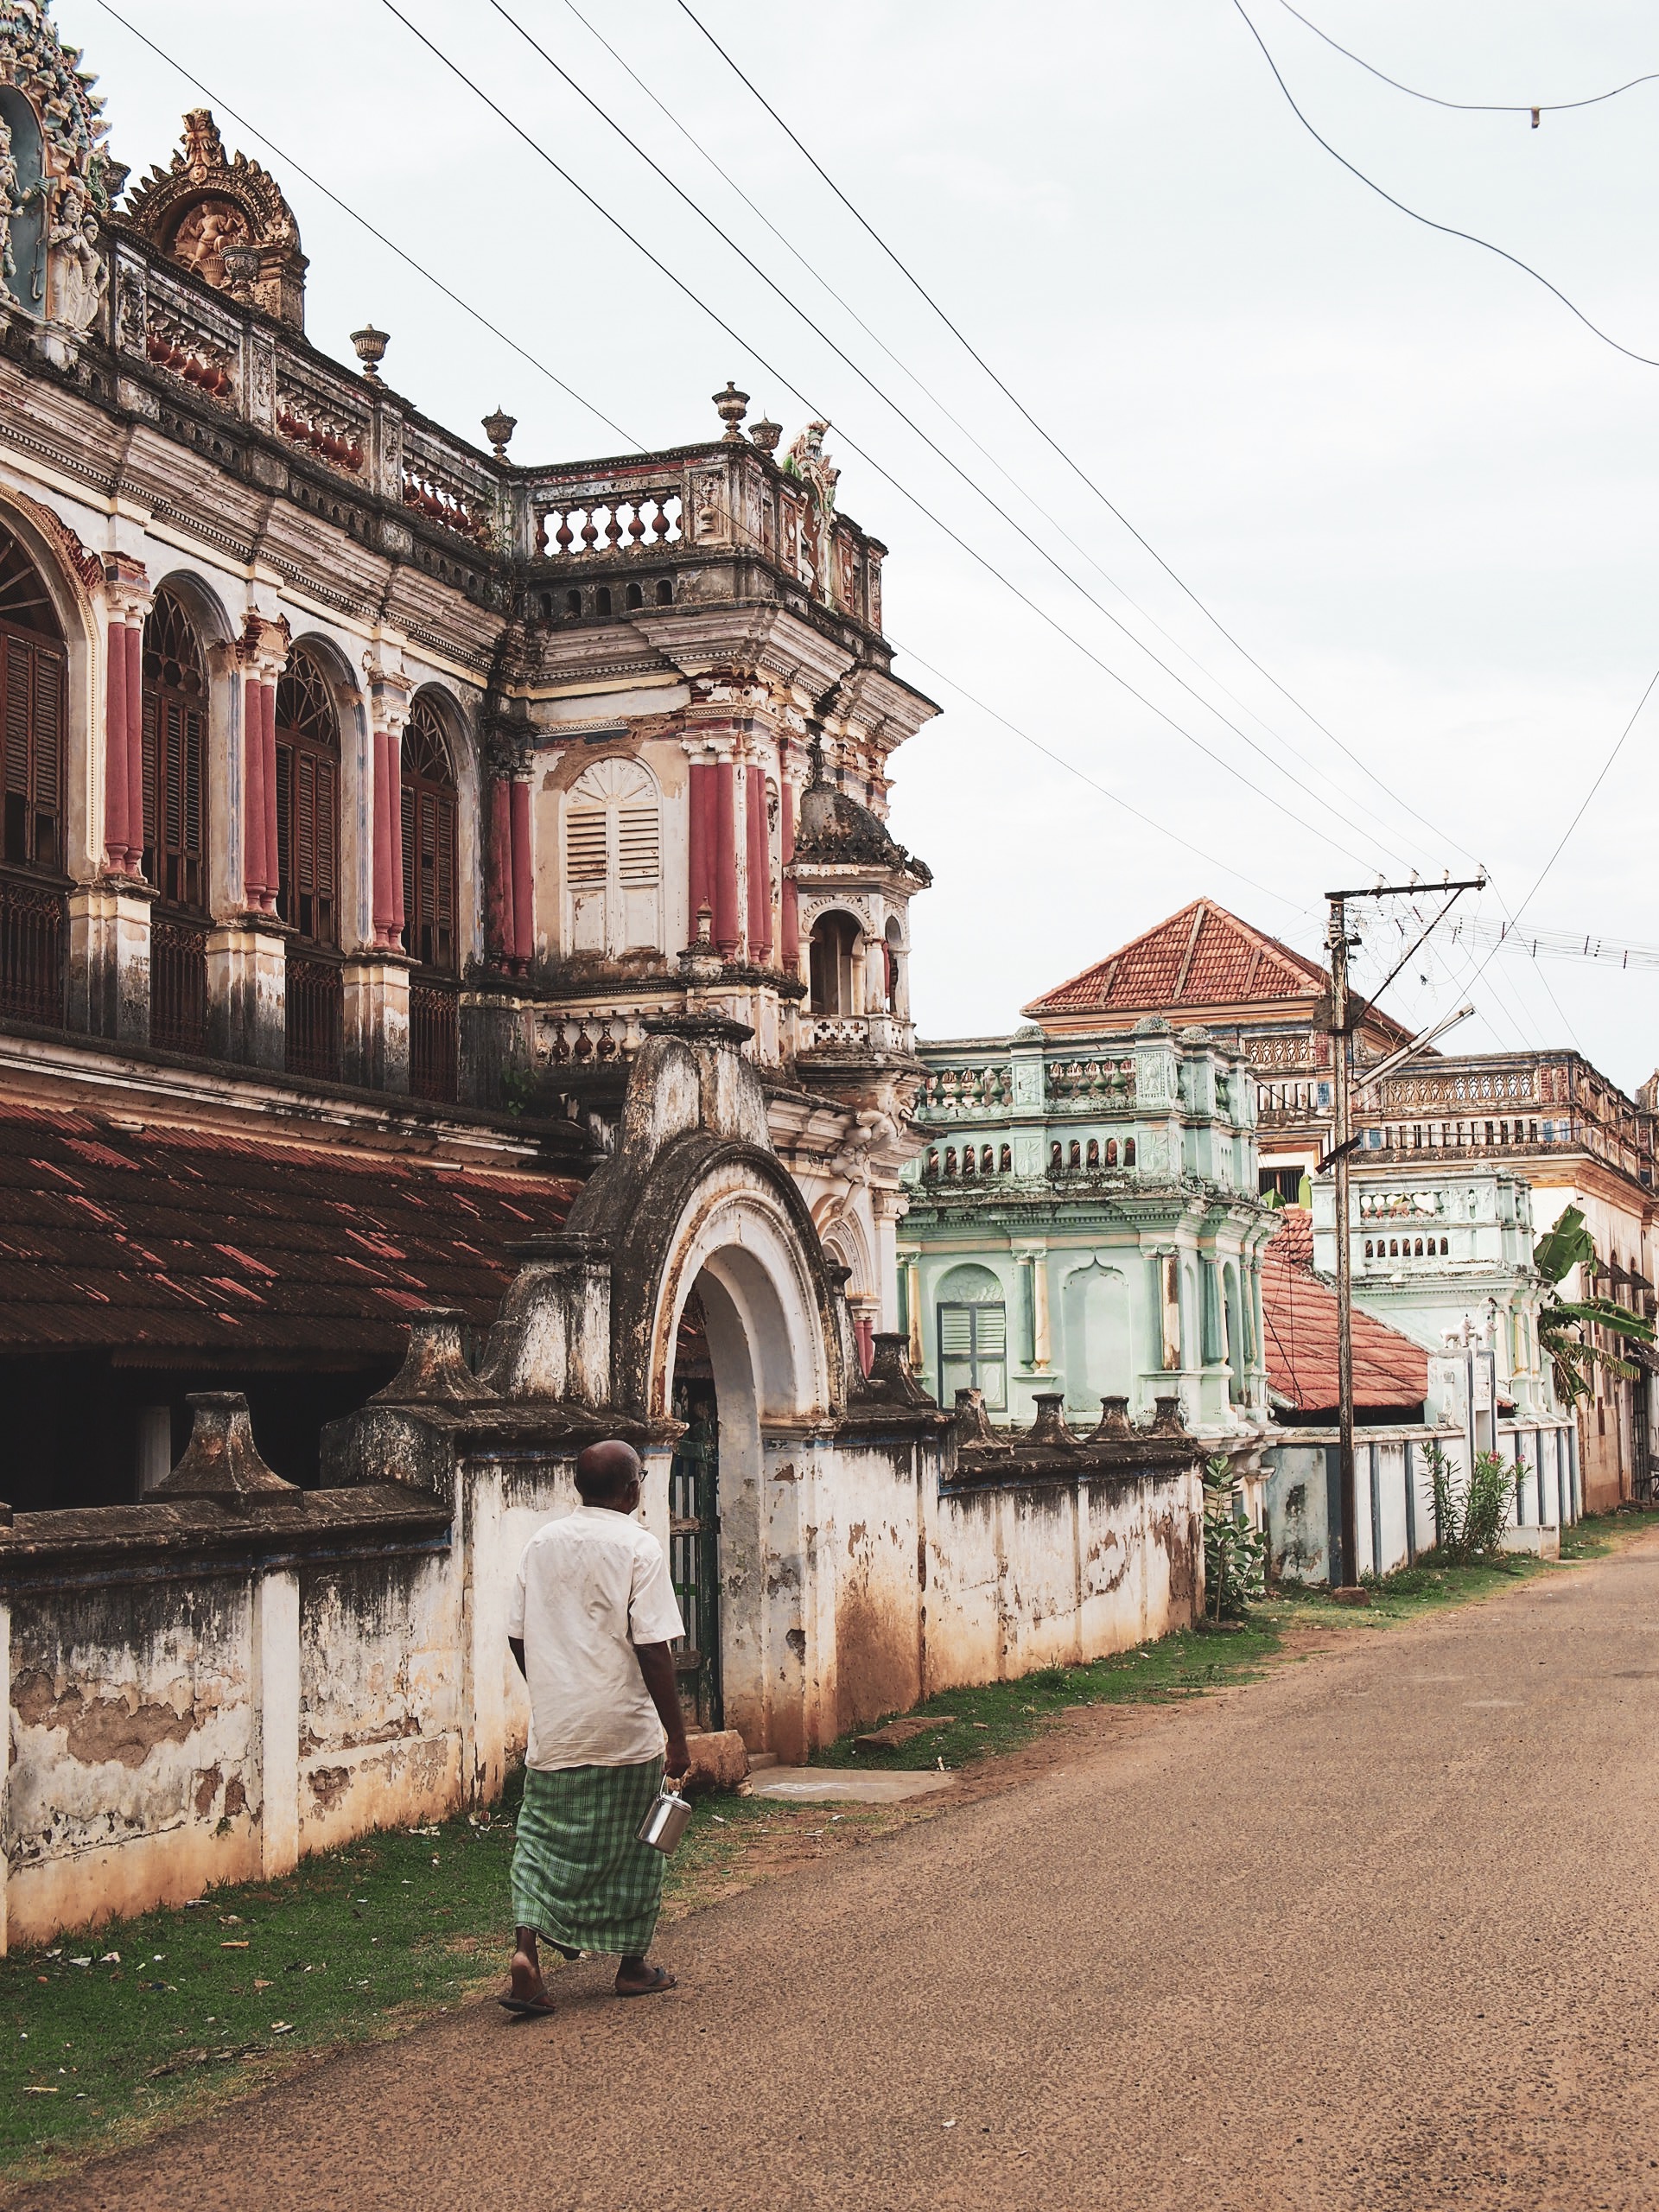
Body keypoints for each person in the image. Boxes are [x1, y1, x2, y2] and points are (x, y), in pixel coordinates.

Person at [500, 1438, 691, 2016]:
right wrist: (677, 1738)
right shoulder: (639, 1548)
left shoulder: (541, 1544)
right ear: (632, 1485)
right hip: (624, 1728)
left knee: (539, 1841)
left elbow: (516, 1633)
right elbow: (653, 1649)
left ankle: (527, 1955)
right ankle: (632, 1967)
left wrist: (553, 1686)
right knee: (638, 1849)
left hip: (559, 1728)